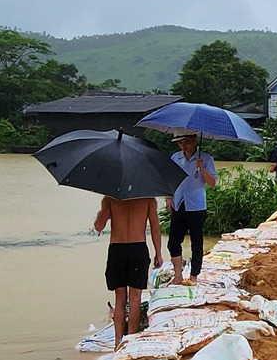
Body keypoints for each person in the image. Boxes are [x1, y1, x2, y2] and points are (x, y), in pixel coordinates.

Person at [93, 193, 162, 344]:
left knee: (120, 299)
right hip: (138, 248)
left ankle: (118, 341)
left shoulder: (110, 198)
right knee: (135, 298)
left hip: (117, 249)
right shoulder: (148, 198)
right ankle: (130, 340)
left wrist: (103, 209)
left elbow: (98, 226)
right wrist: (158, 253)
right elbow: (155, 228)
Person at [166, 131, 217, 282]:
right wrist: (168, 197)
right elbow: (168, 179)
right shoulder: (175, 158)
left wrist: (202, 169)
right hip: (178, 203)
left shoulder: (206, 158)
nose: (183, 146)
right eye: (180, 143)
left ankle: (194, 274)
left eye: (186, 142)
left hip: (196, 205)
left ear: (194, 141)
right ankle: (178, 274)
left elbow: (213, 183)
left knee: (196, 241)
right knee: (173, 242)